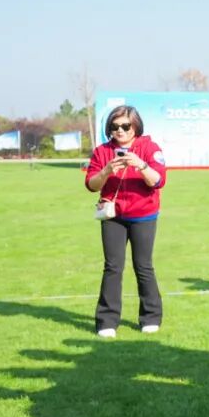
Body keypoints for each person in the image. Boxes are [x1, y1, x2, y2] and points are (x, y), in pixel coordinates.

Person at [85, 106, 168, 338]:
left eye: (125, 126)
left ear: (135, 126)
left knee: (143, 266)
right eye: (114, 126)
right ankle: (107, 321)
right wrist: (106, 171)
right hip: (113, 217)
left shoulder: (150, 148)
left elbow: (158, 180)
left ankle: (151, 317)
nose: (119, 130)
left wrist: (140, 165)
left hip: (143, 216)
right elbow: (91, 185)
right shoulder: (102, 151)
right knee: (112, 267)